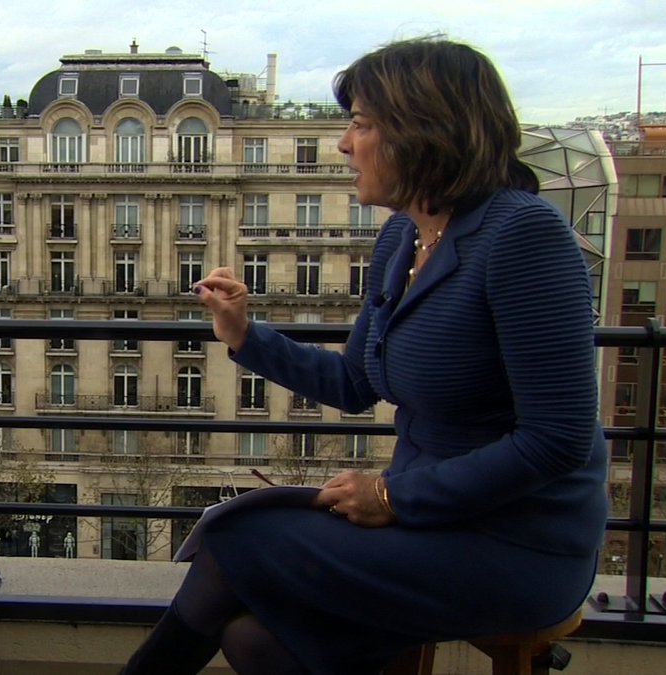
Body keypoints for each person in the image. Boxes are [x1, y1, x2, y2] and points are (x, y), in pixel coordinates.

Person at [120, 36, 608, 675]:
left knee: (237, 538)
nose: (344, 144)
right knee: (252, 637)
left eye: (361, 124)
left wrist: (392, 497)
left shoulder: (524, 236)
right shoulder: (404, 235)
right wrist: (244, 334)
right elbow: (356, 381)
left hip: (518, 539)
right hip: (427, 517)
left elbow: (557, 439)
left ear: (423, 131)